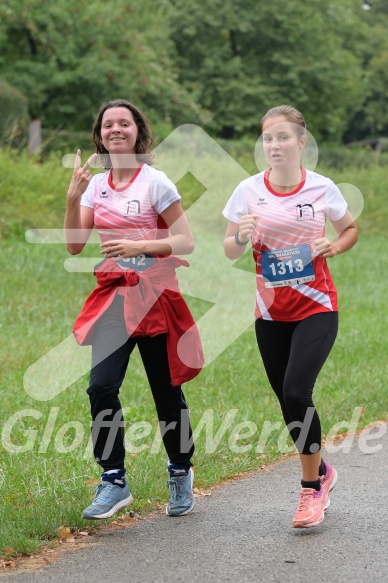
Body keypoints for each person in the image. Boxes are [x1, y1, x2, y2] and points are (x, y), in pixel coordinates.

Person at [64, 99, 203, 520]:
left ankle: (180, 470)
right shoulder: (95, 186)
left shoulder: (156, 182)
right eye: (109, 125)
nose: (116, 130)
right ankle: (113, 479)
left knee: (166, 392)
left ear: (137, 132)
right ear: (100, 135)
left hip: (154, 296)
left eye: (124, 123)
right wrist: (73, 197)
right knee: (100, 387)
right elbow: (74, 243)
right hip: (113, 297)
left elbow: (185, 241)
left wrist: (140, 246)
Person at [222, 105, 358, 528]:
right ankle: (322, 469)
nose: (274, 145)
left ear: (302, 141)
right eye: (267, 138)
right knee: (287, 399)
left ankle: (310, 490)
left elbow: (350, 229)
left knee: (298, 391)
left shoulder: (321, 188)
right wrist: (240, 237)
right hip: (270, 313)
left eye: (283, 137)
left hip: (317, 306)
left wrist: (332, 246)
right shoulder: (247, 190)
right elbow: (229, 248)